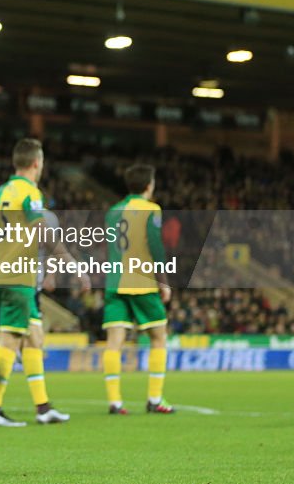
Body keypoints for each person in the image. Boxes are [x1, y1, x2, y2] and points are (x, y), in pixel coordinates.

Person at [0, 139, 86, 426]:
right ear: (37, 163)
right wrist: (71, 264)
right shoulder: (29, 193)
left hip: (4, 274)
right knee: (9, 342)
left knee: (34, 338)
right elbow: (43, 232)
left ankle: (43, 407)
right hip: (19, 276)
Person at [102, 164, 174, 415]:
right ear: (149, 185)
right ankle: (154, 399)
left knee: (114, 342)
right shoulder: (151, 210)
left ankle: (115, 401)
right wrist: (163, 280)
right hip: (141, 282)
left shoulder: (113, 212)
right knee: (158, 337)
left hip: (114, 282)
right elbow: (155, 246)